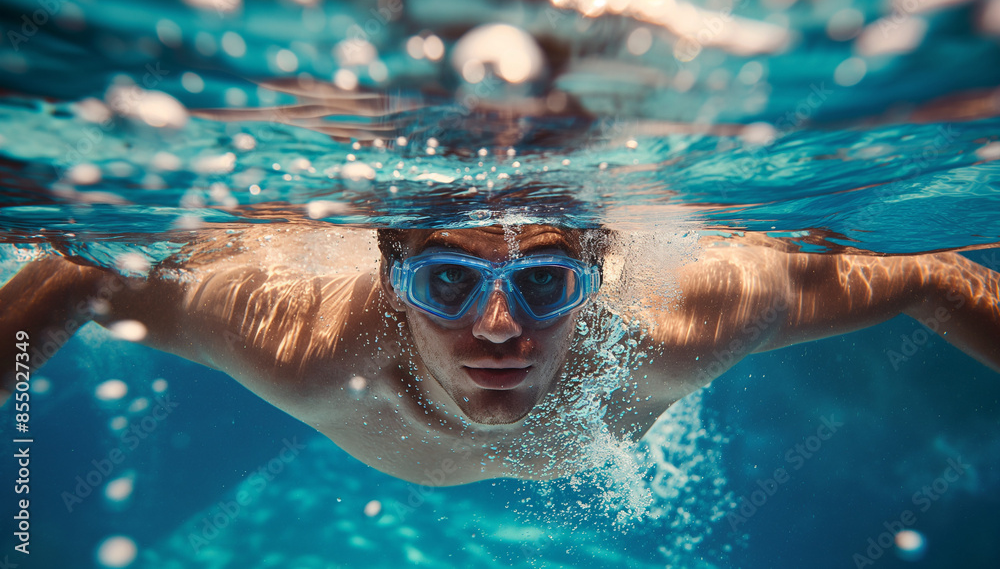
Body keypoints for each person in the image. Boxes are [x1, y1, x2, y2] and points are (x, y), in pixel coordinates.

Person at [2, 224, 998, 485]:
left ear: (595, 278)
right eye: (445, 279)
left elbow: (934, 275)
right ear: (389, 273)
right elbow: (76, 272)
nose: (495, 325)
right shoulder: (302, 344)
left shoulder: (683, 323)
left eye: (544, 282)